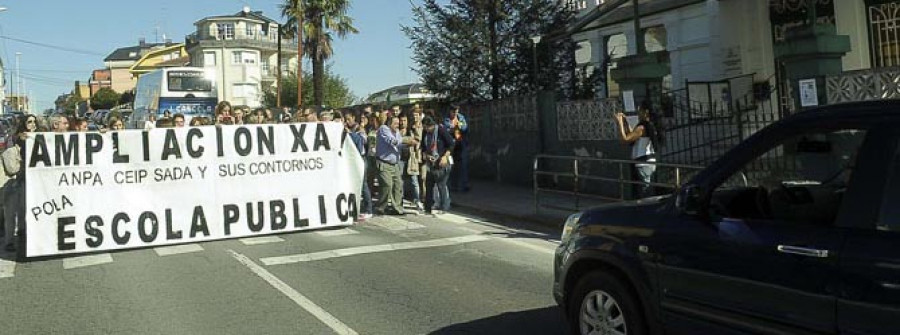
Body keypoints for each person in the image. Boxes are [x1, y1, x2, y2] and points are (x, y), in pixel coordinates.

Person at [615, 100, 664, 199]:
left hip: (643, 163)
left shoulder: (642, 127)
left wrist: (619, 123)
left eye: (640, 109)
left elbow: (625, 139)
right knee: (644, 190)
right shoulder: (649, 125)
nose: (638, 111)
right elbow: (632, 135)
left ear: (646, 112)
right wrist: (625, 122)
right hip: (647, 162)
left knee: (644, 192)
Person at [3, 114, 35, 252]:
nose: (33, 124)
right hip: (14, 181)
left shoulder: (38, 138)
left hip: (30, 181)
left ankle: (22, 233)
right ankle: (9, 241)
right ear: (23, 124)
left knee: (24, 210)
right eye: (29, 122)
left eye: (35, 122)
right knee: (11, 213)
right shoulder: (15, 139)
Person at [375, 115, 419, 215]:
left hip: (394, 164)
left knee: (398, 185)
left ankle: (397, 208)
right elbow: (393, 142)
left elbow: (399, 145)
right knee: (387, 185)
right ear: (389, 123)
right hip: (384, 163)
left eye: (398, 123)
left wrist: (409, 144)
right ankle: (380, 207)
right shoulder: (384, 129)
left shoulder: (397, 133)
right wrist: (406, 139)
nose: (397, 125)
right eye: (395, 123)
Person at [421, 116, 454, 215]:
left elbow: (451, 144)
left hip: (442, 161)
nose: (426, 130)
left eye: (427, 127)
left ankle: (444, 207)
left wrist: (445, 156)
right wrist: (426, 155)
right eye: (425, 128)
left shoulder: (440, 130)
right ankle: (427, 208)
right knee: (429, 184)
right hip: (431, 162)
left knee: (441, 185)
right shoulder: (425, 133)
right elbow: (423, 147)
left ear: (431, 125)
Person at [345, 112, 373, 220]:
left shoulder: (359, 129)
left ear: (353, 117)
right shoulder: (349, 129)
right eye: (346, 120)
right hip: (352, 159)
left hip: (361, 159)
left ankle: (369, 209)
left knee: (363, 184)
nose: (347, 122)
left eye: (349, 119)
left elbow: (361, 143)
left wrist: (350, 134)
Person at [444, 104, 469, 192]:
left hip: (460, 144)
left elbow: (465, 127)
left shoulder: (461, 117)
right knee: (451, 165)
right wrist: (455, 127)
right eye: (454, 111)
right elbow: (447, 130)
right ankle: (453, 186)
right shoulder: (446, 119)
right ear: (450, 111)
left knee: (463, 165)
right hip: (451, 146)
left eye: (457, 111)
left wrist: (459, 126)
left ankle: (464, 185)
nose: (455, 113)